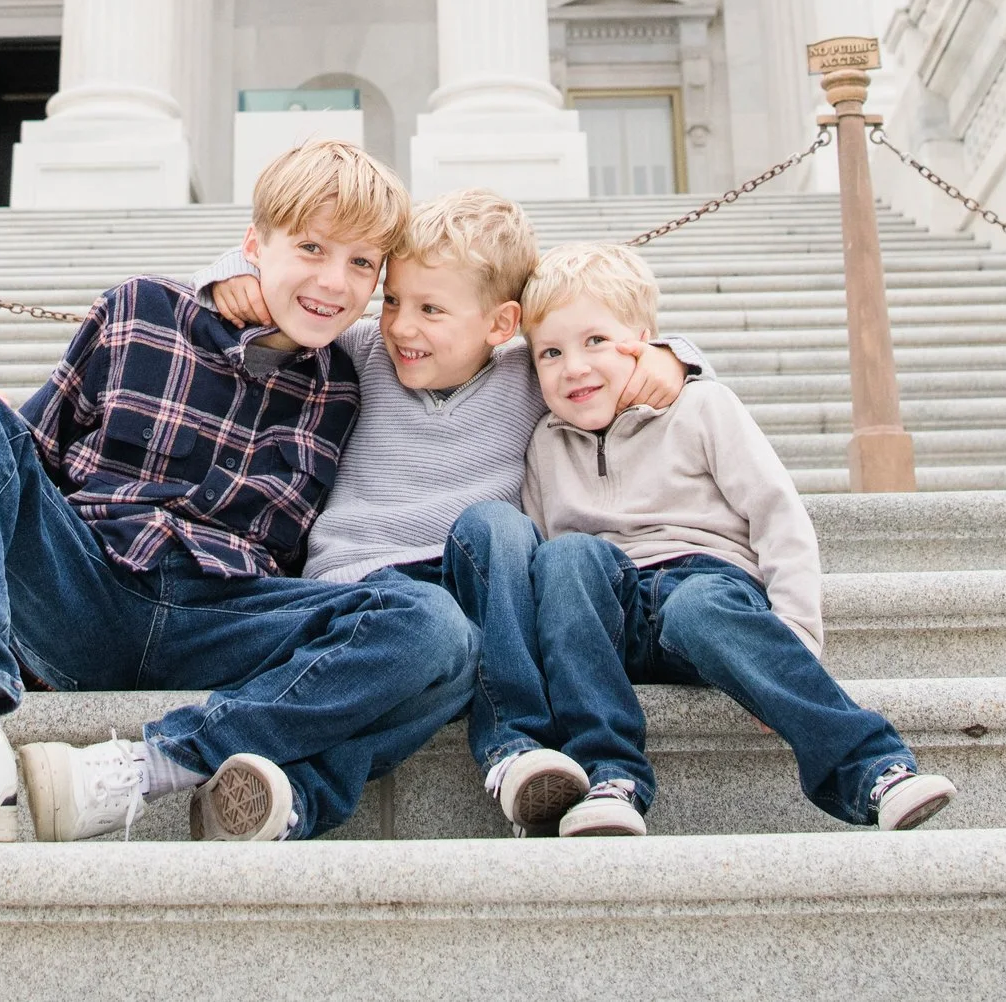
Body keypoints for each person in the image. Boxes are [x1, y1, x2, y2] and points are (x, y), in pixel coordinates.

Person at [0, 139, 475, 845]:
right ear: (254, 245)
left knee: (440, 629)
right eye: (311, 247)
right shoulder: (140, 310)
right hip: (87, 586)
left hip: (222, 619)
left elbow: (482, 335)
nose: (334, 282)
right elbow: (28, 457)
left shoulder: (349, 380)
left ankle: (157, 764)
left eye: (362, 263)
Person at [197, 189, 700, 831]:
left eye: (431, 309)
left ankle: (495, 748)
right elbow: (294, 301)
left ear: (501, 324)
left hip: (476, 589)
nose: (402, 326)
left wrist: (672, 356)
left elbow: (599, 355)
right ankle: (504, 749)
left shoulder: (531, 375)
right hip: (365, 585)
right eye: (393, 301)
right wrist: (231, 277)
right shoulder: (361, 352)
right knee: (437, 653)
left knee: (497, 531)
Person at [521, 242, 958, 837]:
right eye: (550, 352)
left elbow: (777, 515)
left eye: (595, 340)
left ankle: (872, 769)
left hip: (707, 593)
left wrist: (796, 630)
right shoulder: (543, 444)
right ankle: (609, 776)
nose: (573, 367)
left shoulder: (702, 405)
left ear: (645, 341)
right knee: (562, 558)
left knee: (698, 605)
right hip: (607, 616)